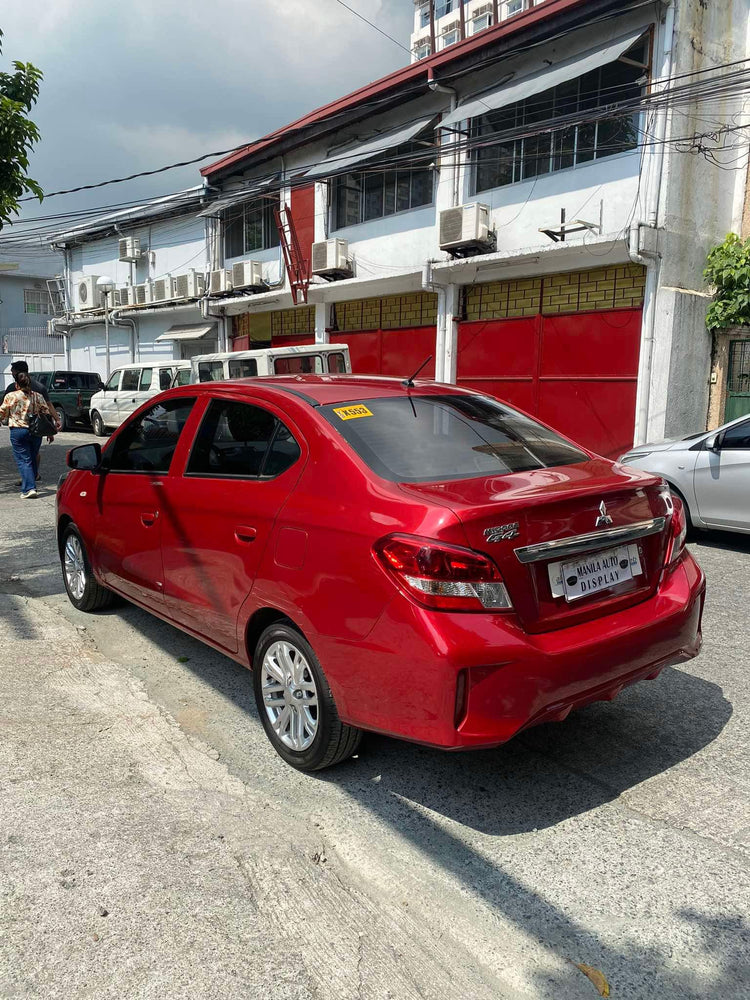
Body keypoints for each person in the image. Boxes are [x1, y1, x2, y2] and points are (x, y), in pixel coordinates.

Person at [0, 371, 56, 498]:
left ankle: (29, 488)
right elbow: (46, 414)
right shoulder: (38, 396)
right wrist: (50, 432)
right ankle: (32, 479)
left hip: (18, 430)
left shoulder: (11, 396)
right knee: (32, 456)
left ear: (17, 385)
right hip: (36, 431)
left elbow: (2, 412)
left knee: (23, 459)